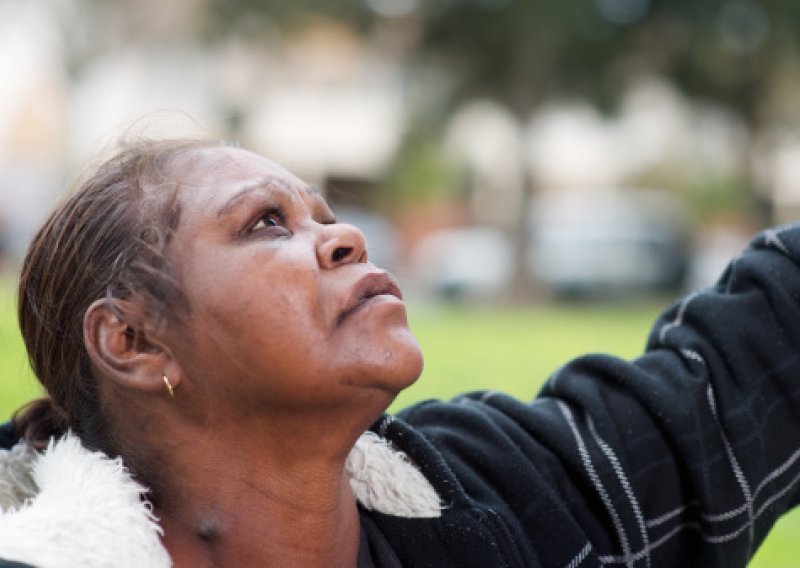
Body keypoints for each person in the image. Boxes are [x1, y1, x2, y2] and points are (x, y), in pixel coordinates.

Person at [1, 137, 800, 568]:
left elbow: (744, 365)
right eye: (265, 225)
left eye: (324, 215)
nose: (345, 237)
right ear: (134, 341)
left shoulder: (502, 493)